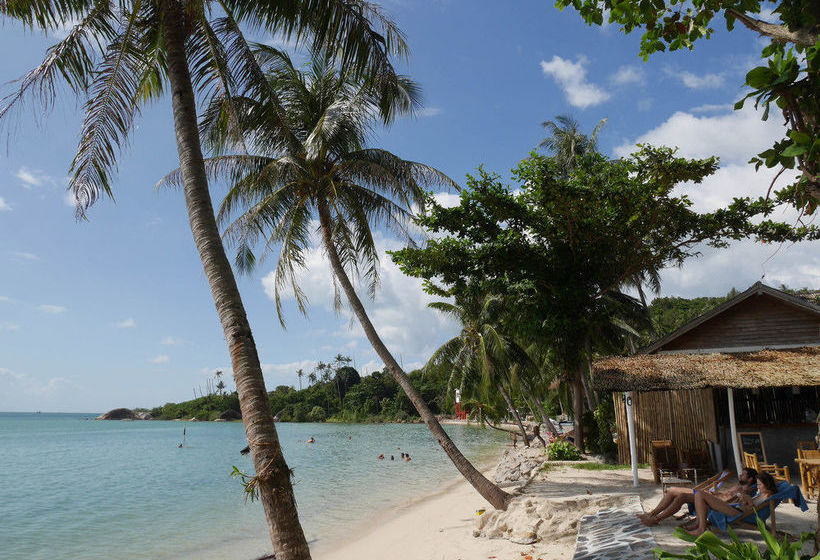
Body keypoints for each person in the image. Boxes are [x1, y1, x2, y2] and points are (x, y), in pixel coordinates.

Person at [638, 468, 757, 526]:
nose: (740, 475)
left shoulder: (747, 490)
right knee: (673, 491)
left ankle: (655, 519)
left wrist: (714, 495)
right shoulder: (739, 485)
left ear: (750, 479)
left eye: (743, 475)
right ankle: (652, 515)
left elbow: (732, 503)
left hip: (711, 501)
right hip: (711, 496)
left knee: (680, 495)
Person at [685, 471, 778, 536]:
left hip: (738, 513)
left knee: (700, 494)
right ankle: (699, 524)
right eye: (757, 484)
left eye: (760, 484)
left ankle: (701, 529)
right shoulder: (762, 494)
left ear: (767, 484)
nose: (757, 487)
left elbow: (752, 510)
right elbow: (749, 506)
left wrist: (749, 501)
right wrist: (745, 500)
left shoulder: (769, 498)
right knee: (700, 496)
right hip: (736, 508)